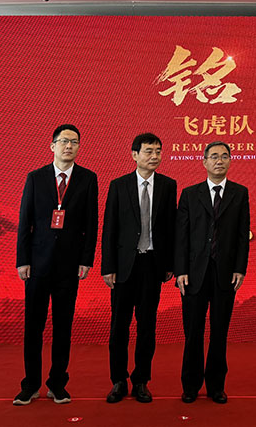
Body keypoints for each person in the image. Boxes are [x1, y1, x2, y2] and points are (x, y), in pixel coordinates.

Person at [13, 124, 98, 406]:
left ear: (79, 147)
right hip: (37, 264)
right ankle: (30, 385)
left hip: (69, 266)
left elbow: (91, 223)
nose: (69, 146)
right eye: (64, 141)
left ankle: (57, 384)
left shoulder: (88, 179)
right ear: (52, 146)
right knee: (33, 327)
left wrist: (86, 260)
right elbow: (25, 221)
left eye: (74, 142)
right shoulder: (36, 178)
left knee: (63, 326)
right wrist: (23, 260)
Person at [101, 133, 177, 403]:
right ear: (134, 155)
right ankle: (118, 380)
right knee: (119, 326)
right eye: (148, 151)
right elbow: (109, 227)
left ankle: (141, 380)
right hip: (124, 265)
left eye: (158, 151)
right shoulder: (119, 185)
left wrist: (170, 264)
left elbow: (171, 227)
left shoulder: (168, 185)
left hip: (152, 264)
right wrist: (108, 266)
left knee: (147, 325)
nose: (154, 156)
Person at [175, 141, 250, 404]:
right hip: (193, 274)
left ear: (230, 161)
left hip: (225, 273)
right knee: (193, 331)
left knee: (220, 331)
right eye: (214, 156)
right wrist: (181, 270)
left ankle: (216, 385)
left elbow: (242, 234)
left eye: (224, 156)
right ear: (204, 161)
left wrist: (240, 268)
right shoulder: (189, 194)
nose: (219, 160)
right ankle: (190, 385)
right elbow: (181, 236)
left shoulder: (239, 193)